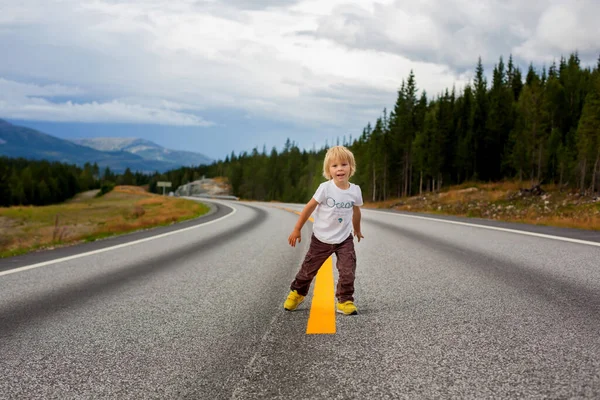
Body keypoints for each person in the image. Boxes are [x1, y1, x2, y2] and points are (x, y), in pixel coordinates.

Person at [284, 145, 364, 315]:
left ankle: (345, 301)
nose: (340, 169)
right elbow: (309, 207)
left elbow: (356, 211)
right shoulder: (325, 188)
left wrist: (357, 229)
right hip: (321, 239)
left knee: (348, 270)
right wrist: (297, 229)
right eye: (334, 166)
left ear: (351, 167)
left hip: (344, 239)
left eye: (344, 164)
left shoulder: (355, 190)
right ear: (329, 170)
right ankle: (297, 293)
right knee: (308, 270)